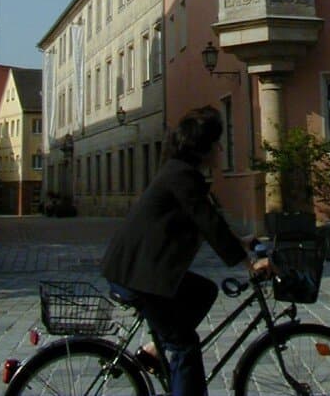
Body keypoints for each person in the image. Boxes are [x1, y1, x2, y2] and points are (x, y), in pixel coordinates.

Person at [102, 105, 268, 395]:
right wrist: (248, 263)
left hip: (141, 269)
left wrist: (241, 241)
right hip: (139, 275)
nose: (220, 148)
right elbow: (206, 220)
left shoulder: (181, 172)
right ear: (204, 147)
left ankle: (154, 349)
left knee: (203, 291)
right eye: (216, 143)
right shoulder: (182, 175)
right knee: (184, 346)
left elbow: (207, 218)